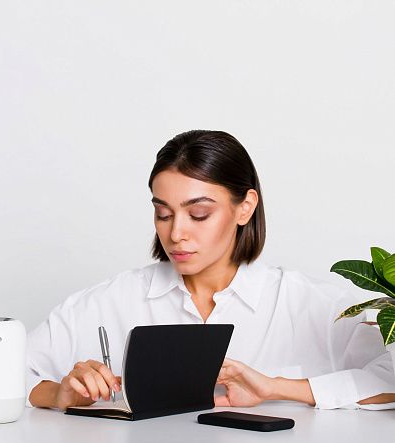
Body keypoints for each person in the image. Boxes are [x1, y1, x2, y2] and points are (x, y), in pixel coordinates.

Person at [27, 130, 395, 411]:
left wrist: (276, 388)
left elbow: (390, 376)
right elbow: (7, 373)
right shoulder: (109, 301)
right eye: (163, 213)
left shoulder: (309, 303)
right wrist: (59, 395)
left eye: (199, 214)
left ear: (245, 208)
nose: (176, 233)